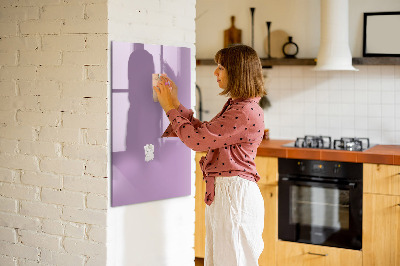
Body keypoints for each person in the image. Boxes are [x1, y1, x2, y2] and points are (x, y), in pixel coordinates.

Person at [153, 44, 267, 266]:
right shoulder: (239, 106)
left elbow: (196, 141)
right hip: (229, 193)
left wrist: (169, 108)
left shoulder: (243, 111)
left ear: (237, 72)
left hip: (234, 196)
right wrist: (175, 103)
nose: (215, 72)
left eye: (221, 67)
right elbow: (205, 133)